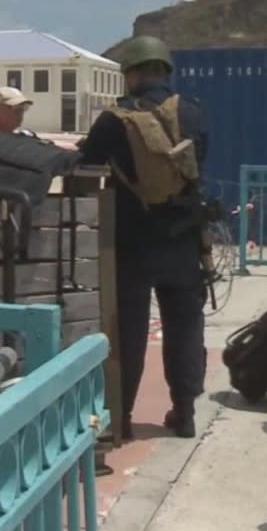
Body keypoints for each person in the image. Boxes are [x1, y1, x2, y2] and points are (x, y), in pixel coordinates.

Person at [78, 35, 208, 440]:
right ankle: (184, 412)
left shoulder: (113, 120)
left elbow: (86, 166)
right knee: (185, 325)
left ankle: (123, 419)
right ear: (165, 70)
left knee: (128, 333)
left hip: (132, 242)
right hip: (185, 238)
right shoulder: (194, 113)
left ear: (131, 73)